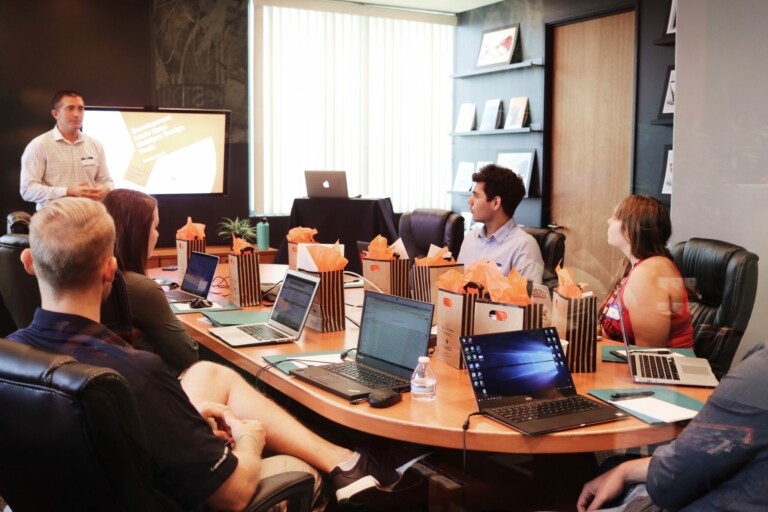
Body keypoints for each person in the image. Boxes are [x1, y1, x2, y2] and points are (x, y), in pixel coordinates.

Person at [8, 197, 406, 510]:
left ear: (28, 263)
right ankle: (346, 469)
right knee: (299, 472)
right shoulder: (136, 373)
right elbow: (231, 496)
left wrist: (182, 421)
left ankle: (346, 459)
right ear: (109, 270)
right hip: (179, 497)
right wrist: (250, 439)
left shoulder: (12, 357)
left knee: (209, 374)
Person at [577, 342, 768, 511]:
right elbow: (724, 447)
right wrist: (625, 470)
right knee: (612, 466)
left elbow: (668, 486)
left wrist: (626, 472)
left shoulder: (760, 373)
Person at [102, 188, 198, 376]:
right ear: (137, 233)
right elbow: (188, 355)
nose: (158, 235)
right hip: (156, 385)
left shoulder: (94, 276)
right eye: (155, 227)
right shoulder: (142, 289)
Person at [598, 195, 694, 348]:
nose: (608, 221)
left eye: (616, 218)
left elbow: (649, 355)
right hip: (626, 361)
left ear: (631, 230)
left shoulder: (649, 274)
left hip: (662, 368)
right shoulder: (634, 265)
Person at [19, 90, 113, 210]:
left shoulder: (95, 145)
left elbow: (107, 181)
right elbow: (27, 190)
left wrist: (104, 189)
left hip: (90, 219)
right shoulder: (39, 145)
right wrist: (67, 191)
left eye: (80, 109)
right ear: (55, 114)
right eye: (70, 108)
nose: (77, 114)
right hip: (54, 221)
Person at [457, 163, 544, 284]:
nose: (469, 201)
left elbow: (529, 300)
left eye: (476, 196)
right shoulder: (471, 238)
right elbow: (455, 286)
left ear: (495, 203)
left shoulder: (524, 246)